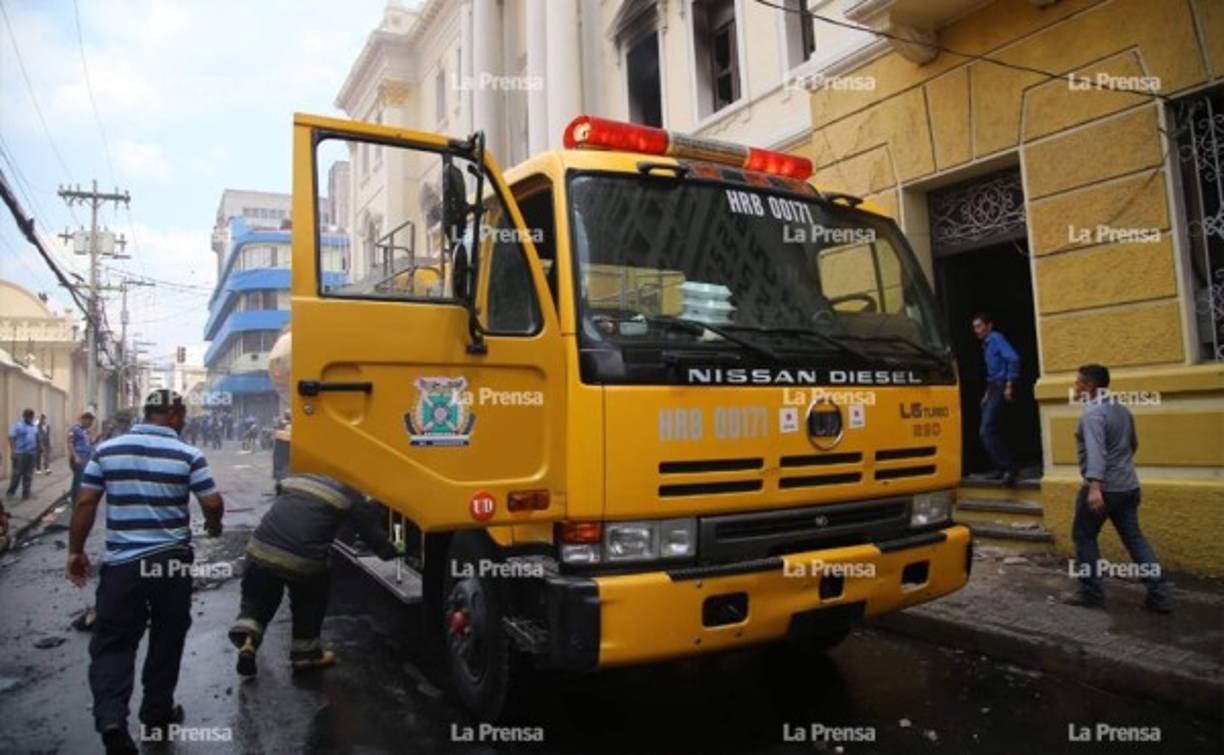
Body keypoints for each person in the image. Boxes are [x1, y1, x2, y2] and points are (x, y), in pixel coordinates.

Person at [65, 390, 225, 755]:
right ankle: (156, 713)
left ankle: (111, 720)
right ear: (173, 413)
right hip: (169, 563)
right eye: (182, 415)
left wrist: (75, 551)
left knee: (114, 642)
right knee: (168, 636)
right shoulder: (188, 454)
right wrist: (214, 525)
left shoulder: (107, 451)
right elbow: (211, 501)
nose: (184, 421)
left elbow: (86, 501)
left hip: (123, 567)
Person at [228, 474, 401, 677]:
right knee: (310, 596)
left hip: (259, 550)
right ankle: (306, 656)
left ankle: (248, 643)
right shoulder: (351, 495)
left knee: (257, 599)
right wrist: (396, 549)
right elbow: (375, 541)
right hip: (302, 561)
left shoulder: (297, 478)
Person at [1063, 364, 1172, 613]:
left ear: (1090, 386)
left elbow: (1096, 452)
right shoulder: (1121, 409)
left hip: (1104, 488)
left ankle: (1091, 593)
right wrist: (1120, 467)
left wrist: (1094, 487)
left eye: (1079, 382)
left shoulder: (1093, 413)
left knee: (1084, 536)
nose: (1076, 387)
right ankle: (1160, 594)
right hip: (1128, 485)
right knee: (1134, 538)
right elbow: (1133, 444)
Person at [971, 312, 1021, 486]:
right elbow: (993, 371)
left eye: (979, 326)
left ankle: (1009, 469)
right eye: (974, 327)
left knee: (986, 430)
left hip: (1001, 385)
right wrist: (987, 393)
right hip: (993, 386)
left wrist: (1009, 384)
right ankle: (1001, 468)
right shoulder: (985, 344)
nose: (976, 330)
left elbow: (1013, 359)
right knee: (989, 429)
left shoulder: (996, 339)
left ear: (989, 326)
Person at [6, 409, 38, 501]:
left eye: (31, 416)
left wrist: (39, 449)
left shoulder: (34, 427)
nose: (30, 418)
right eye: (28, 416)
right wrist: (13, 451)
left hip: (31, 454)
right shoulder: (17, 426)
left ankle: (26, 493)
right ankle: (10, 492)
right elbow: (11, 438)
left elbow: (36, 438)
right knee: (17, 474)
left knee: (28, 475)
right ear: (24, 416)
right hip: (20, 454)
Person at [67, 411, 96, 505]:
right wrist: (76, 457)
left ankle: (78, 499)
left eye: (92, 422)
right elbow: (70, 443)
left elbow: (91, 443)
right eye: (90, 421)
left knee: (82, 479)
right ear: (84, 419)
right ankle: (75, 501)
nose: (91, 424)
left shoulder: (87, 431)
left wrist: (102, 435)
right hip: (78, 458)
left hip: (86, 458)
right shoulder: (74, 429)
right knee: (78, 480)